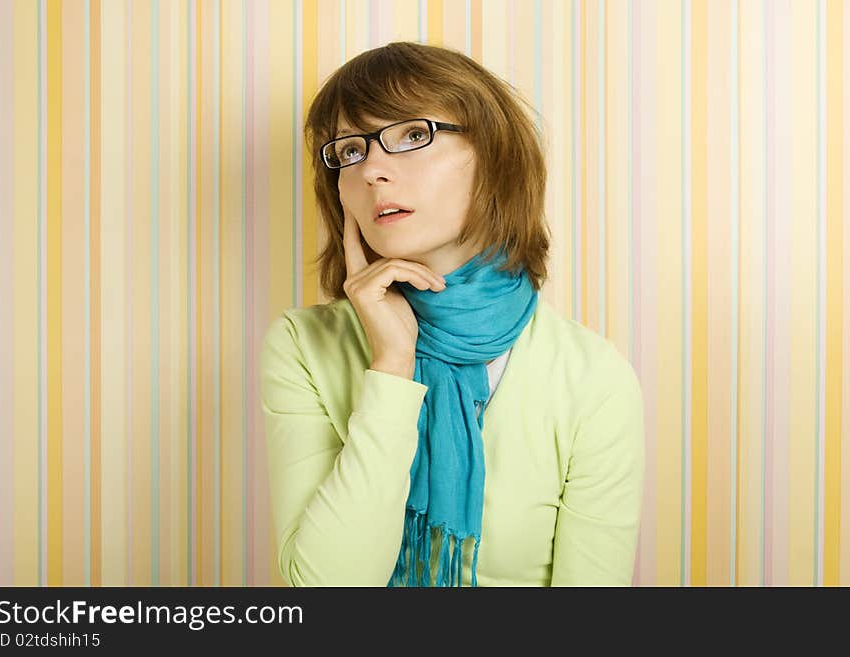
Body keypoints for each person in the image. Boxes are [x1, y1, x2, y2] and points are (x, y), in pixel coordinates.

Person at [260, 41, 644, 587]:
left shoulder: (590, 377)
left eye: (413, 135)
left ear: (495, 157)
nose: (371, 170)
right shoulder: (302, 345)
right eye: (350, 151)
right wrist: (391, 365)